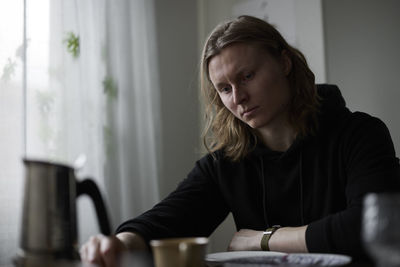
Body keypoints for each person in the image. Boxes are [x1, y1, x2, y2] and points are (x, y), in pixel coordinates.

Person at [80, 15, 400, 266]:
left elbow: (371, 229)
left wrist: (263, 239)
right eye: (224, 88)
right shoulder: (226, 162)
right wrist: (118, 244)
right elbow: (165, 223)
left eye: (247, 76)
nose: (238, 98)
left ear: (284, 63)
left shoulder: (360, 134)